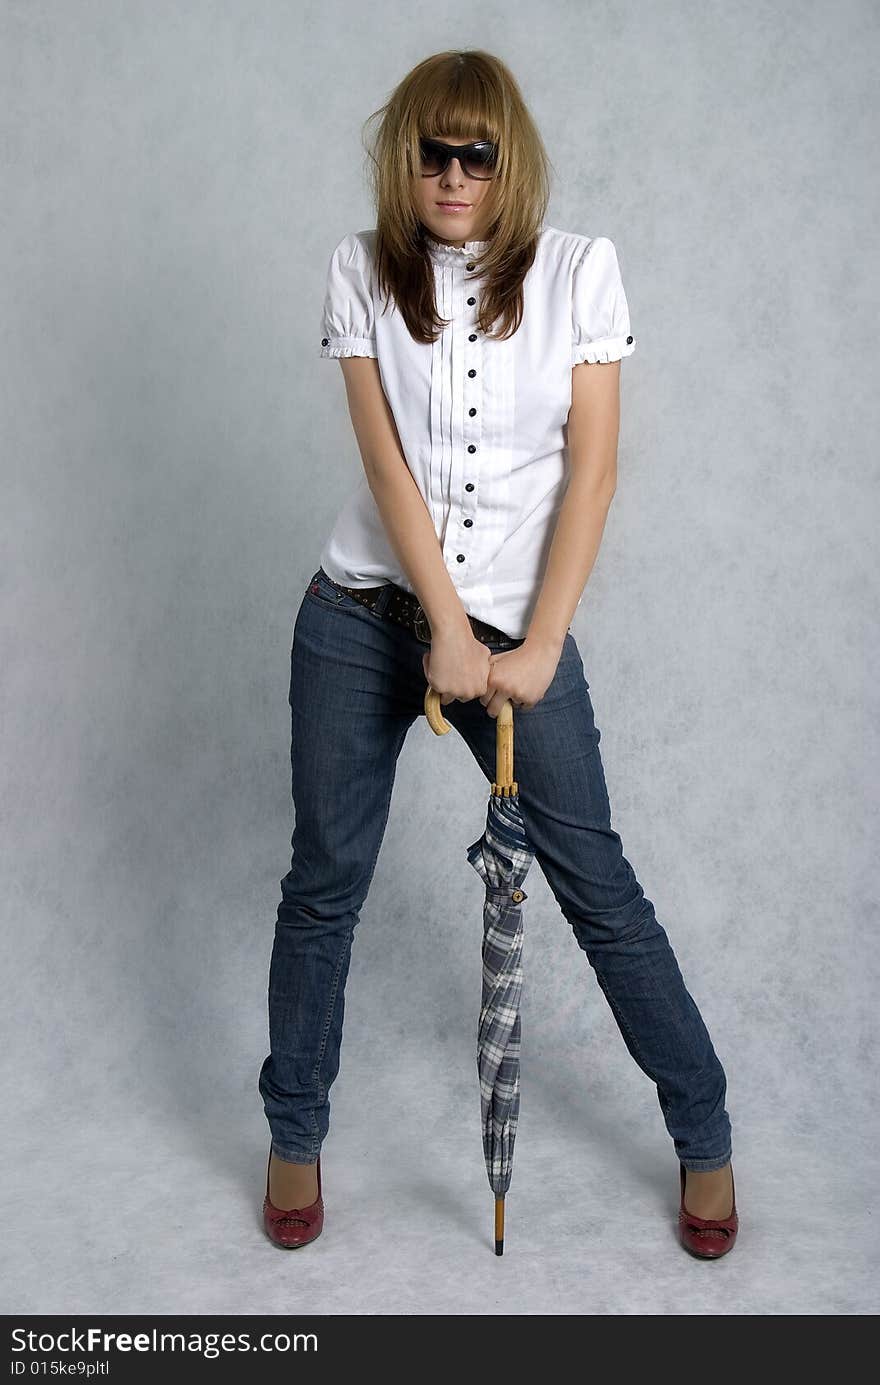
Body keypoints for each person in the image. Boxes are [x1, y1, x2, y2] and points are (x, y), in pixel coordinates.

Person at [258, 48, 739, 1258]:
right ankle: (293, 1130)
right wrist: (444, 632)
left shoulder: (580, 273)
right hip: (360, 616)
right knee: (324, 884)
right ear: (403, 157)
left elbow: (594, 468)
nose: (456, 173)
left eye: (478, 151)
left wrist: (534, 643)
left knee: (602, 895)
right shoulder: (360, 270)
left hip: (520, 638)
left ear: (508, 157)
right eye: (433, 150)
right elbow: (385, 469)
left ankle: (706, 1128)